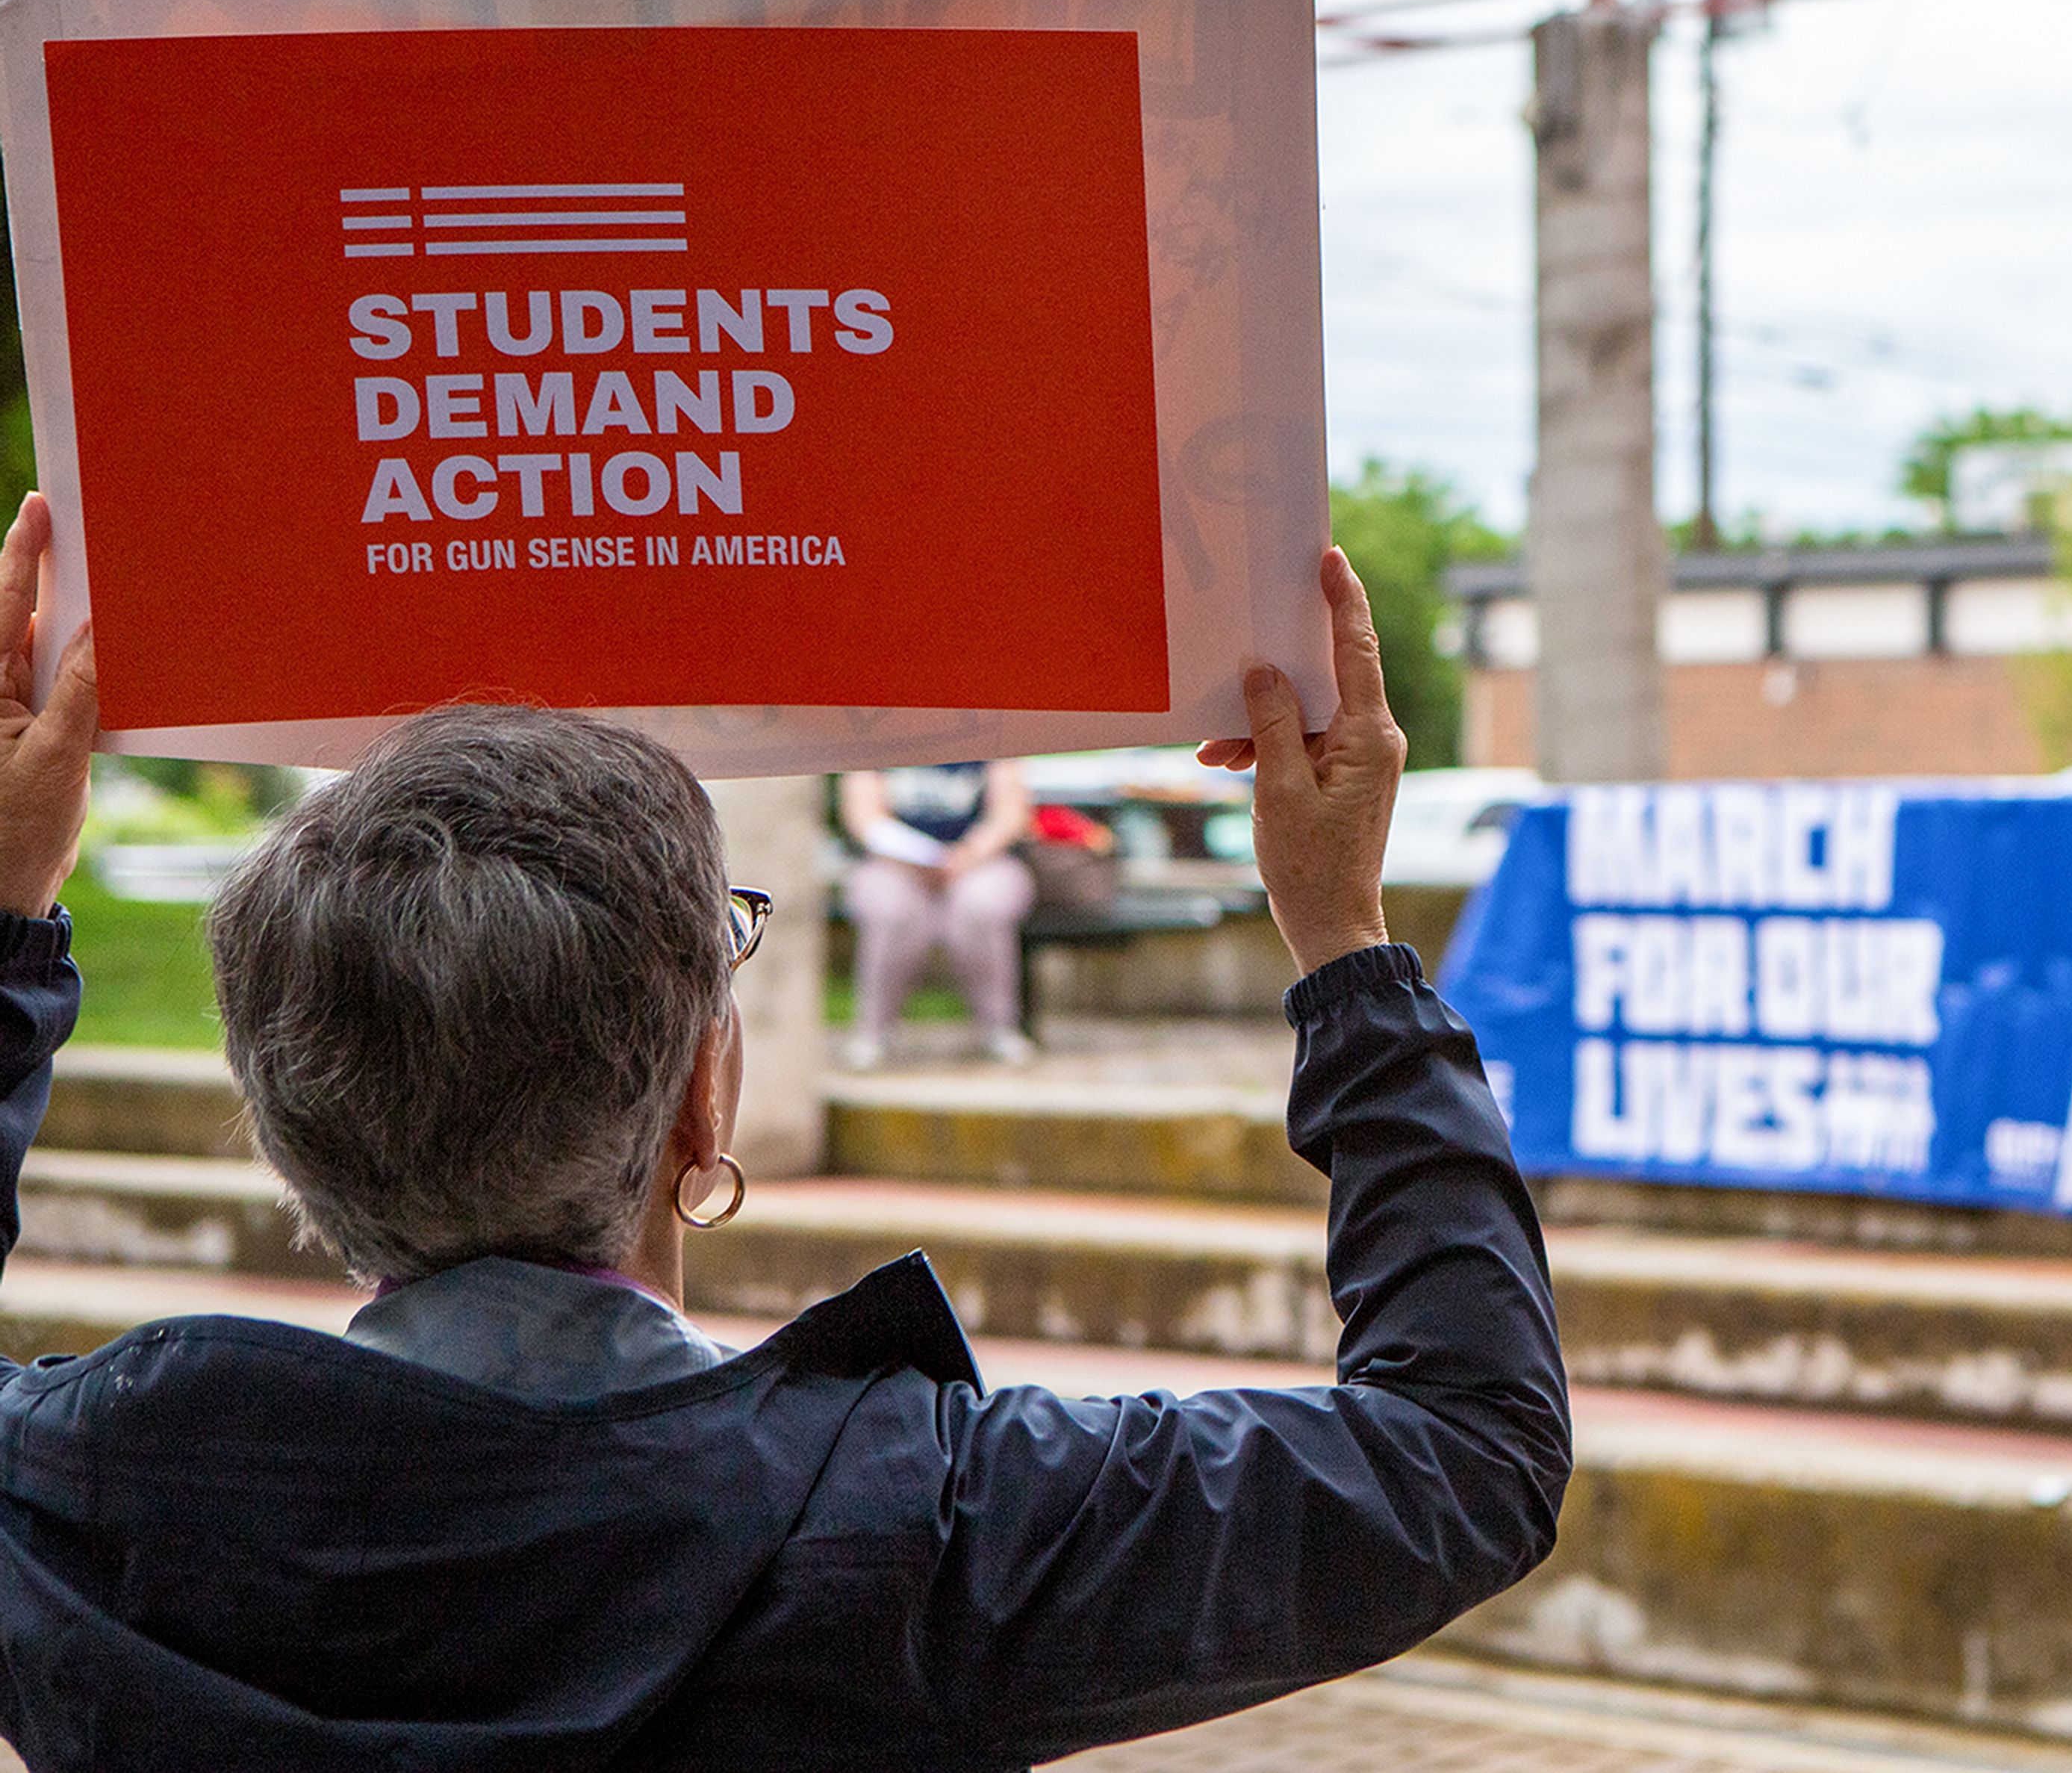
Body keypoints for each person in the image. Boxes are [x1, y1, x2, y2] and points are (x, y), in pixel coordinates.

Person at [0, 524, 1570, 1772]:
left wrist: (9, 925)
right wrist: (1344, 942)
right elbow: (1467, 1449)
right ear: (704, 1099)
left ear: (291, 1122)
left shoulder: (85, 1479)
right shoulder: (934, 1525)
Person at [836, 757, 1037, 1066]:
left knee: (981, 905)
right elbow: (864, 817)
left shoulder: (991, 737)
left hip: (980, 861)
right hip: (895, 865)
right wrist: (913, 860)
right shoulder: (876, 740)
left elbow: (1009, 815)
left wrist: (966, 856)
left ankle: (999, 1028)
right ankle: (873, 1032)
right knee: (891, 910)